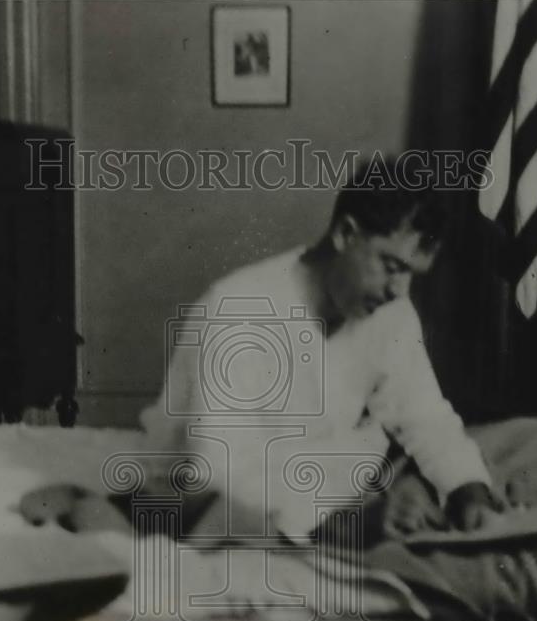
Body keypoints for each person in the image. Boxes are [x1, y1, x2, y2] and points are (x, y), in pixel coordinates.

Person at [138, 158, 503, 540]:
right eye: (392, 266)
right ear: (346, 234)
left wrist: (469, 490)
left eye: (412, 273)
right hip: (198, 498)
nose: (399, 290)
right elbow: (219, 477)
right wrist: (347, 523)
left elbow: (424, 416)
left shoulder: (390, 312)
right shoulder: (237, 310)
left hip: (309, 488)